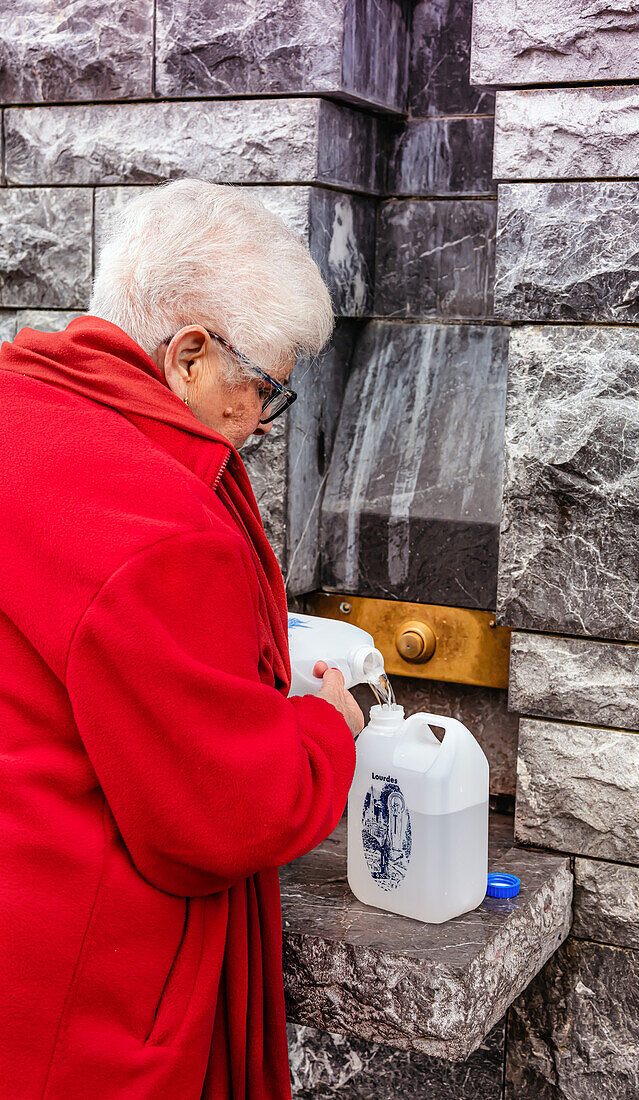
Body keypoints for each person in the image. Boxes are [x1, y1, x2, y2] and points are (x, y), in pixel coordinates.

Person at [0, 179, 364, 1100]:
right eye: (265, 387)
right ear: (190, 354)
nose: (260, 424)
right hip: (79, 1003)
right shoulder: (154, 519)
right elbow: (224, 814)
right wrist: (329, 728)